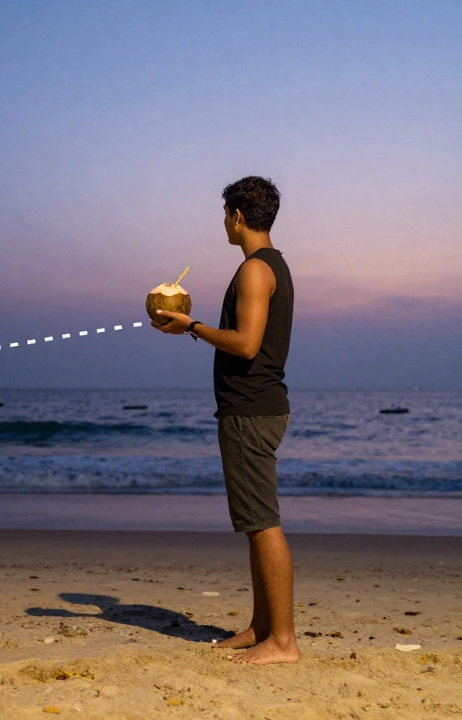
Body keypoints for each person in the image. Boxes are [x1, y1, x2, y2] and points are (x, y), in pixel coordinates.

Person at [152, 176, 298, 665]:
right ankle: (262, 627)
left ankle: (283, 642)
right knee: (255, 523)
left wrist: (191, 326)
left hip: (251, 411)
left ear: (237, 216)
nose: (223, 222)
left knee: (263, 524)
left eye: (224, 214)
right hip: (253, 408)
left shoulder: (256, 271)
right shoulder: (268, 266)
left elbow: (247, 343)